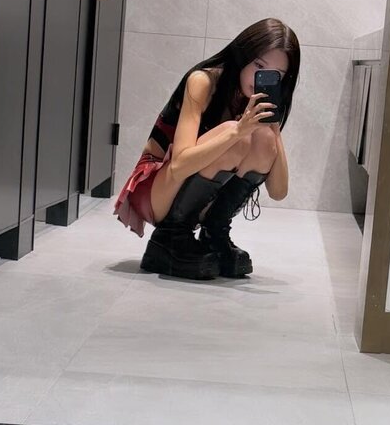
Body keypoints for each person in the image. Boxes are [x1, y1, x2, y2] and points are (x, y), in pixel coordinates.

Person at [114, 18, 300, 281]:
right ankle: (169, 239)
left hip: (185, 189)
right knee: (234, 135)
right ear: (243, 56)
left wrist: (273, 129)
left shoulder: (256, 103)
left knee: (262, 138)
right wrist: (238, 131)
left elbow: (279, 192)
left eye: (276, 75)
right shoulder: (203, 81)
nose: (263, 79)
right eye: (259, 66)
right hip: (156, 186)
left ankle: (214, 234)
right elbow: (179, 165)